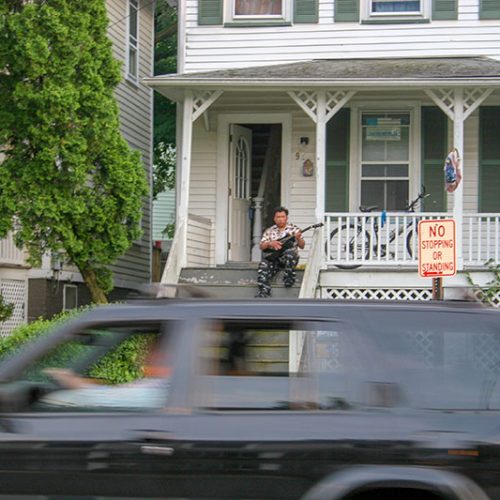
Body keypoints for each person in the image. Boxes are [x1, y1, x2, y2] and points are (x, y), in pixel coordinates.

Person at [255, 206, 305, 298]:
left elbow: (302, 246)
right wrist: (270, 243)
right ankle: (264, 291)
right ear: (274, 218)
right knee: (263, 264)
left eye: (282, 217)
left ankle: (289, 278)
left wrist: (298, 239)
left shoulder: (294, 229)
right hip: (275, 259)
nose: (280, 219)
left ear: (286, 218)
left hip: (289, 260)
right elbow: (261, 246)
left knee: (290, 253)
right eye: (278, 217)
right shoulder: (269, 231)